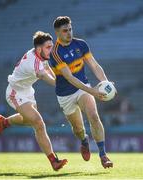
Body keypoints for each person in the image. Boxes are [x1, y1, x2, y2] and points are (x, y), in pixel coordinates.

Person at [0, 31, 67, 171]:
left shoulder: (40, 54)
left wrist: (60, 79)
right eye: (48, 47)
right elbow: (45, 76)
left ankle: (5, 122)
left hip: (27, 91)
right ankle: (54, 161)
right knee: (39, 123)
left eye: (51, 46)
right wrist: (64, 83)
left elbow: (47, 68)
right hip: (15, 93)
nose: (51, 50)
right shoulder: (33, 62)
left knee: (30, 121)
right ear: (39, 48)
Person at [49, 16, 115, 168]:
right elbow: (70, 78)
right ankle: (84, 140)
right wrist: (93, 91)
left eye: (70, 29)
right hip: (65, 95)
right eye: (65, 31)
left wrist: (105, 83)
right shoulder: (55, 53)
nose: (69, 33)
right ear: (57, 33)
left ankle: (103, 155)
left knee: (93, 116)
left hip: (82, 88)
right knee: (78, 129)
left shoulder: (81, 44)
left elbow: (94, 65)